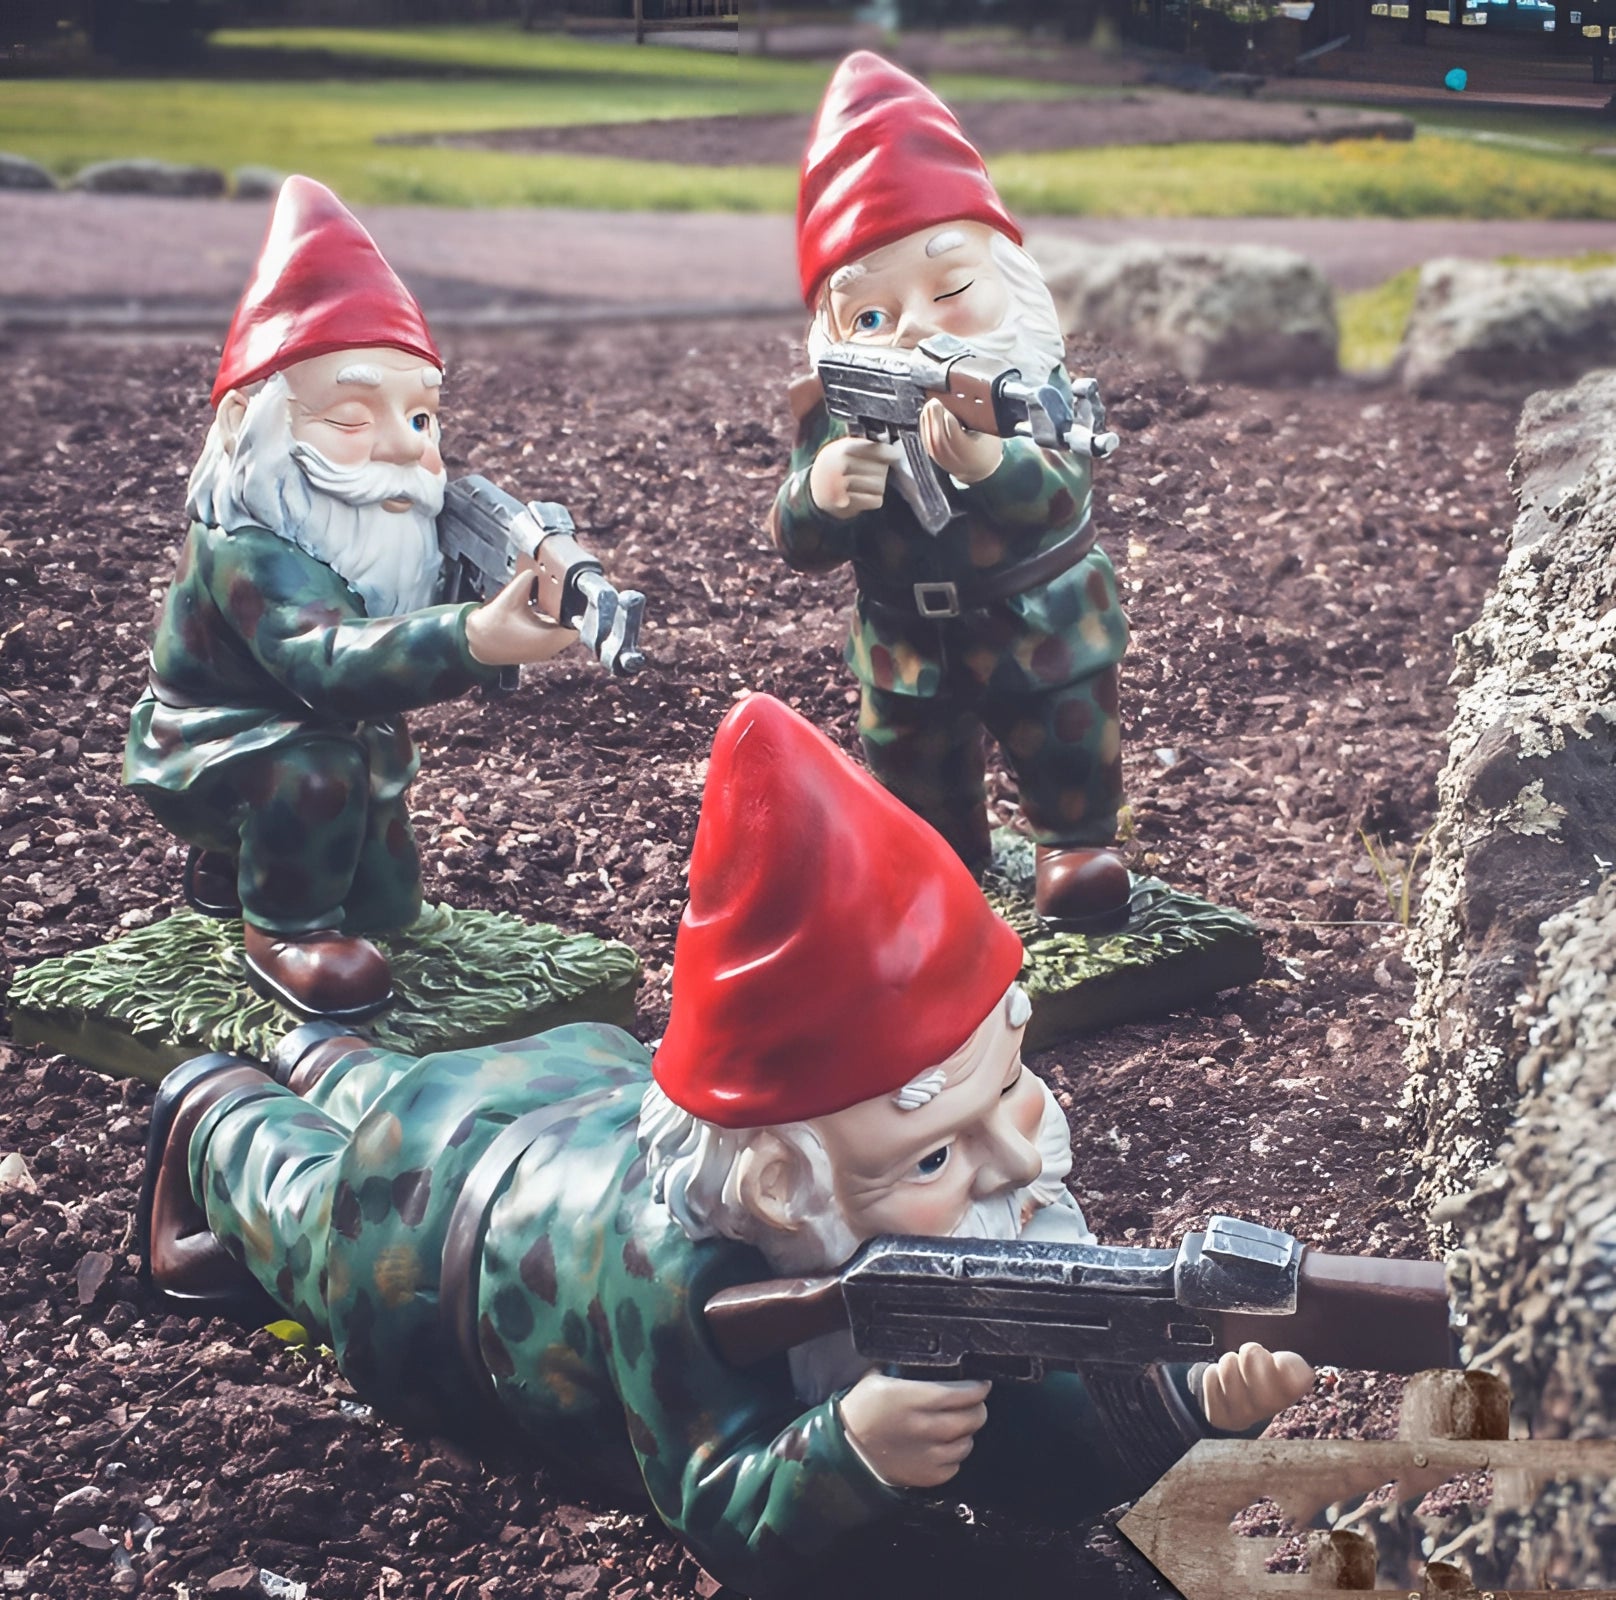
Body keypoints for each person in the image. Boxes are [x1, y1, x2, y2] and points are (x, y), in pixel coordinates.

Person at [138, 694, 1313, 1598]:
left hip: (566, 1088)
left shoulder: (948, 1223)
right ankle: (215, 1105)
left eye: (1007, 1095)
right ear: (777, 1182)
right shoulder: (681, 1279)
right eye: (928, 1157)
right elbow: (715, 1505)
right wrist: (846, 1452)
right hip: (429, 1232)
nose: (1013, 1165)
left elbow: (1036, 1438)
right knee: (311, 1204)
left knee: (384, 1077)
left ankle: (326, 1055)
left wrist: (1185, 1400)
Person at [122, 176, 573, 1021]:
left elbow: (393, 620)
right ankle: (285, 929)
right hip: (205, 741)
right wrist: (473, 637)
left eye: (423, 417)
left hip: (310, 724)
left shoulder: (364, 523)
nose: (405, 446)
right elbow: (325, 661)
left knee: (382, 857)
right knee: (319, 772)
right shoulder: (249, 551)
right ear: (246, 430)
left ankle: (249, 873)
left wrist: (488, 588)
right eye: (352, 417)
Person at [768, 52, 1133, 928]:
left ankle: (1075, 846)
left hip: (1042, 627)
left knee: (1068, 745)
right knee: (913, 770)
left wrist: (986, 464)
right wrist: (818, 492)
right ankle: (939, 855)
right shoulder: (834, 408)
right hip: (905, 643)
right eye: (870, 315)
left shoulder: (1036, 394)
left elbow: (1060, 498)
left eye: (953, 286)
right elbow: (797, 542)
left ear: (1006, 279)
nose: (917, 327)